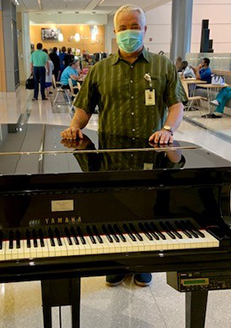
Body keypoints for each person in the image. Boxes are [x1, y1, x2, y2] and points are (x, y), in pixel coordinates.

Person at [60, 4, 187, 287]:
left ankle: (143, 264)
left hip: (149, 154)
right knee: (111, 209)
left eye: (135, 26)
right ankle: (115, 263)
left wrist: (168, 129)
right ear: (115, 32)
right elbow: (84, 108)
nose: (129, 32)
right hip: (111, 155)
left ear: (144, 30)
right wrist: (74, 127)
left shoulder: (162, 66)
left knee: (146, 209)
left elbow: (176, 104)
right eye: (123, 27)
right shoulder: (101, 69)